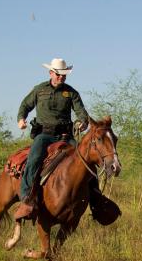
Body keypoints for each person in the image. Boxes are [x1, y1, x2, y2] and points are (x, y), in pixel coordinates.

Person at [14, 58, 90, 221]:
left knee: (85, 160)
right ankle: (26, 199)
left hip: (66, 135)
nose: (61, 77)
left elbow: (81, 112)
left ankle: (96, 199)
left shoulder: (71, 93)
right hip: (44, 135)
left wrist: (83, 123)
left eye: (64, 75)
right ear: (51, 73)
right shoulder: (39, 90)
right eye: (58, 74)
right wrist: (21, 119)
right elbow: (25, 105)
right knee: (34, 159)